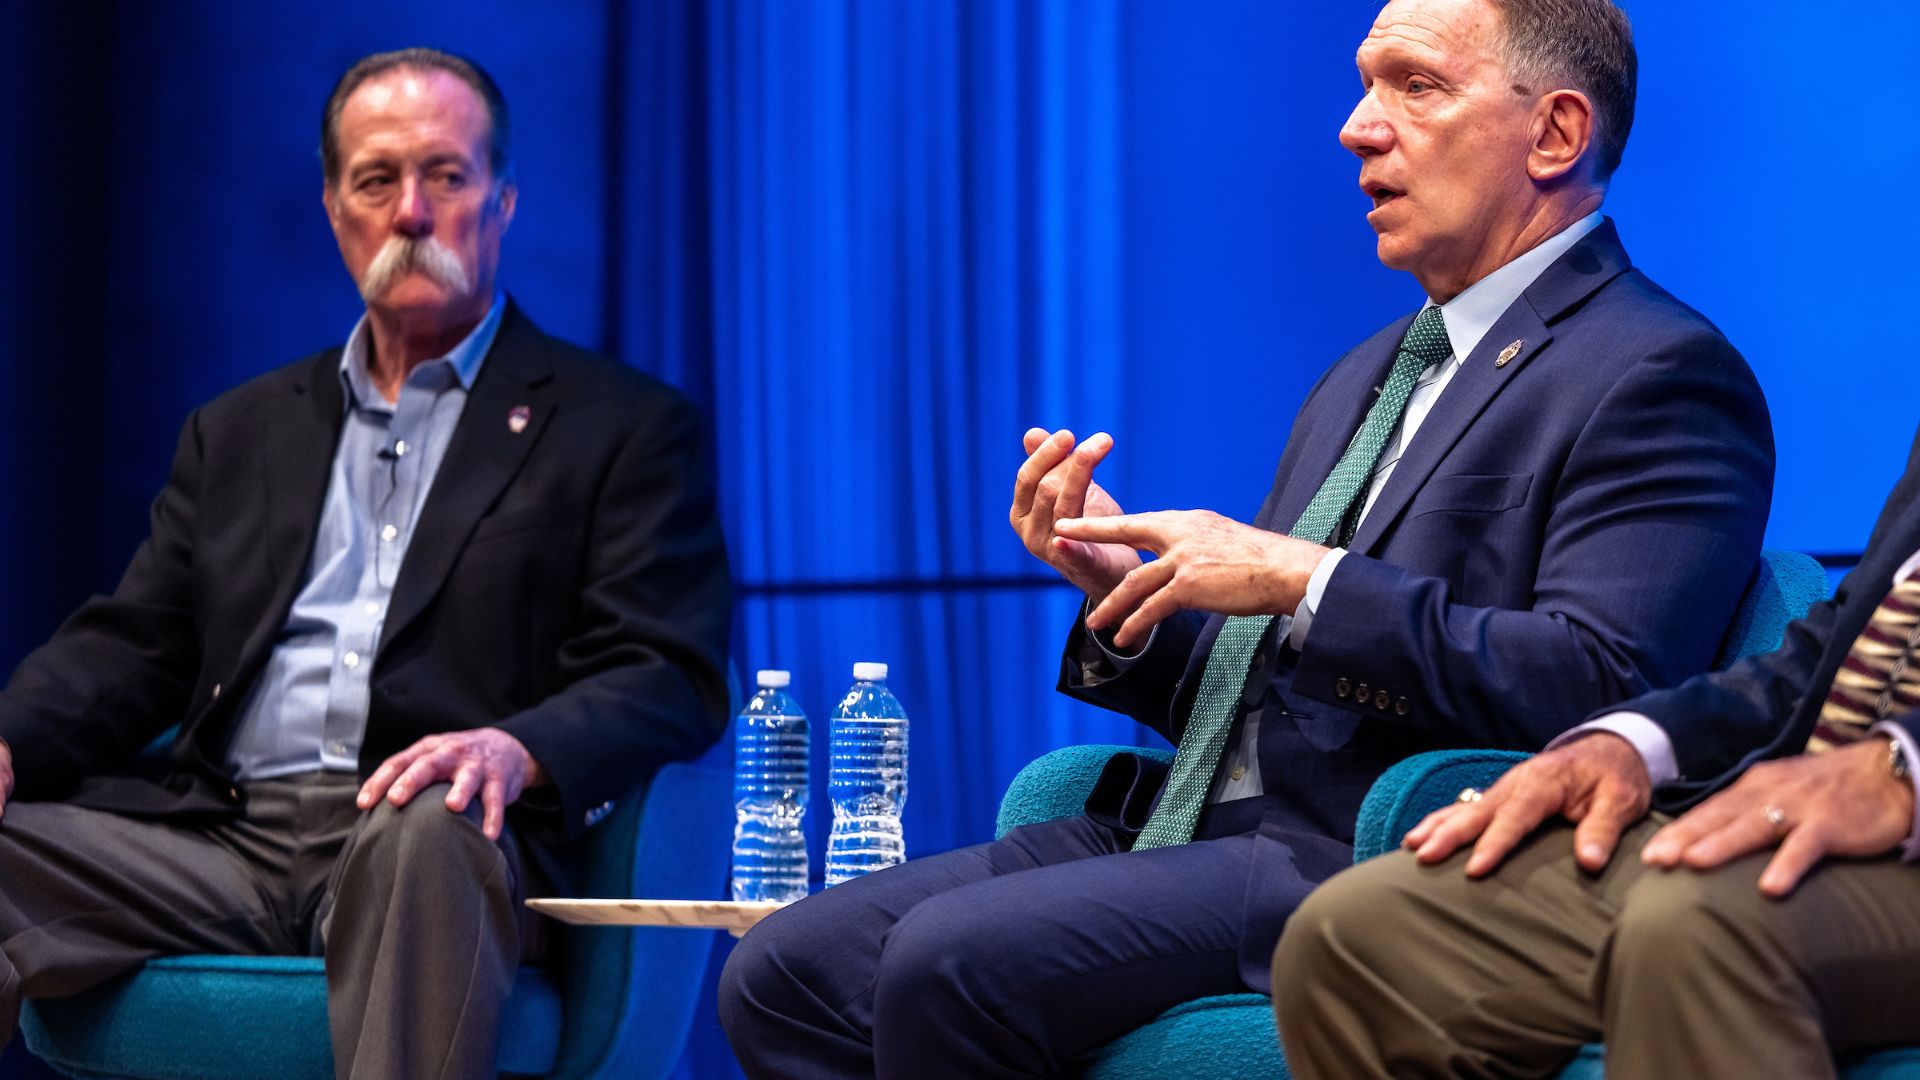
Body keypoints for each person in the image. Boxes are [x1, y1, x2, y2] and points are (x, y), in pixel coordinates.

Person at [718, 1, 1773, 1076]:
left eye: (1415, 86)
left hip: (1368, 855)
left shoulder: (1656, 371)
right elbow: (1274, 692)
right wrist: (1123, 600)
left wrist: (1305, 577)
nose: (1357, 127)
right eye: (1365, 85)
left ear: (1554, 132)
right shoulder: (1368, 371)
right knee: (785, 971)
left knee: (948, 958)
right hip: (1196, 830)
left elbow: (1606, 684)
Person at [0, 48, 730, 1080]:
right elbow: (135, 645)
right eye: (378, 181)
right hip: (227, 842)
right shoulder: (241, 430)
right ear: (338, 210)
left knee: (425, 827)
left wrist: (517, 750)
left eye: (446, 175)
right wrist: (10, 744)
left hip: (440, 839)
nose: (413, 213)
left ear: (503, 201)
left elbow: (669, 670)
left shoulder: (621, 427)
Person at [1273, 432, 1920, 1078]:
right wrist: (1630, 743)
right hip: (1790, 811)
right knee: (1356, 940)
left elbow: (1590, 660)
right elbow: (1824, 651)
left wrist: (1899, 767)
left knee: (1697, 929)